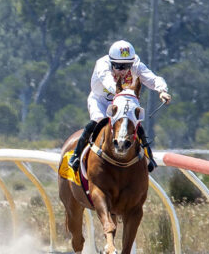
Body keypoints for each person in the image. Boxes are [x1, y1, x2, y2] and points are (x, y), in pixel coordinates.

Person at [69, 40, 171, 173]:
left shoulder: (136, 65)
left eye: (127, 65)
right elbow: (108, 81)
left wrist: (162, 90)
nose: (123, 70)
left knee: (134, 123)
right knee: (98, 120)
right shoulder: (102, 65)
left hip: (123, 102)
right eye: (119, 66)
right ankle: (76, 155)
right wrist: (122, 92)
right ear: (111, 62)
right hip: (101, 101)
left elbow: (152, 78)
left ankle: (148, 156)